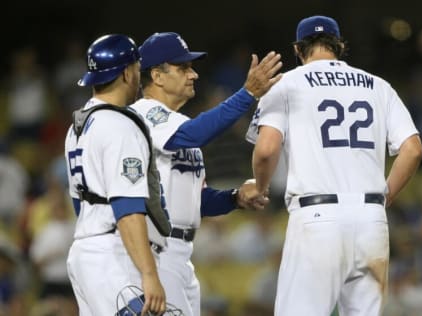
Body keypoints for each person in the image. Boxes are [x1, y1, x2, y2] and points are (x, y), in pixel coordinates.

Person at [245, 15, 422, 316]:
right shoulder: (378, 86)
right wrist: (384, 196)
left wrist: (259, 187)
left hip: (317, 217)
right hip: (372, 221)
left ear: (298, 50)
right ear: (339, 46)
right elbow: (413, 149)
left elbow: (266, 151)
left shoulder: (285, 83)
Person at [130, 32, 282, 316]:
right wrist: (247, 93)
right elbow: (195, 133)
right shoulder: (142, 115)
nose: (194, 75)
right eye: (183, 68)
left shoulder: (177, 127)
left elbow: (196, 201)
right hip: (156, 252)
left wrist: (235, 198)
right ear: (157, 76)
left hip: (181, 254)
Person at [64, 34, 166, 315]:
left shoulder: (77, 126)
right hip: (113, 256)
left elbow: (79, 203)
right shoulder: (119, 126)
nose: (138, 73)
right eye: (136, 67)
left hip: (86, 253)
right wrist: (149, 273)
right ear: (126, 72)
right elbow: (127, 206)